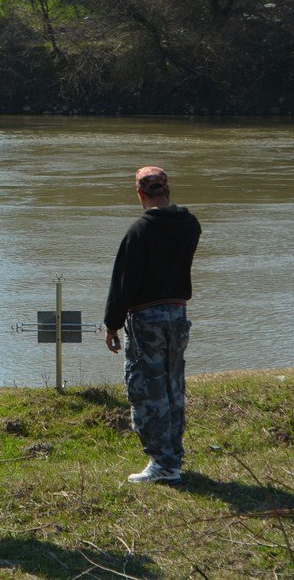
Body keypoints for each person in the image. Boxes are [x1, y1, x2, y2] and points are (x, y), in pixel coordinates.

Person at [104, 166, 201, 484]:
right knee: (174, 386)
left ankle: (162, 463)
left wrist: (112, 324)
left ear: (139, 193)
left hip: (147, 318)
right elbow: (184, 220)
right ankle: (173, 455)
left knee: (147, 388)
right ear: (167, 190)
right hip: (178, 315)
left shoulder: (139, 231)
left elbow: (123, 284)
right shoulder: (189, 224)